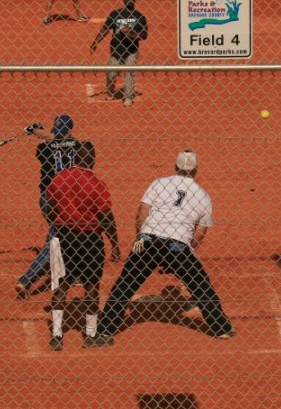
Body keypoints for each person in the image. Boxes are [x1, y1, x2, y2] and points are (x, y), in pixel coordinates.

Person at [86, 150, 235, 347]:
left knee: (125, 284)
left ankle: (105, 329)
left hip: (149, 239)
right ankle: (221, 328)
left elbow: (142, 212)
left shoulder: (160, 183)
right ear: (196, 170)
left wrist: (140, 237)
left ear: (175, 167)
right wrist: (183, 253)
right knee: (200, 285)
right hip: (178, 245)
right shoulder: (203, 196)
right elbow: (200, 233)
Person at [46, 141, 121, 351]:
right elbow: (106, 216)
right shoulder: (96, 183)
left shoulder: (59, 179)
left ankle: (57, 335)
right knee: (91, 286)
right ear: (93, 160)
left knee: (61, 285)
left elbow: (50, 205)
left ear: (74, 159)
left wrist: (58, 223)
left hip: (64, 235)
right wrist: (114, 242)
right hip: (90, 239)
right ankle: (90, 334)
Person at [14, 114, 87, 299]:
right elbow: (66, 141)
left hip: (47, 198)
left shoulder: (43, 149)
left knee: (66, 234)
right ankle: (26, 280)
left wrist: (37, 132)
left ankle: (74, 271)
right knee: (55, 240)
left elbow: (52, 142)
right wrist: (41, 132)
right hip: (67, 200)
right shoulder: (78, 147)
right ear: (70, 131)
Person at [89, 0, 149, 107]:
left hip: (132, 50)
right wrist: (95, 42)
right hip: (116, 50)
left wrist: (131, 34)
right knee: (111, 73)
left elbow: (144, 36)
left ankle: (128, 98)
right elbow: (105, 29)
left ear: (135, 0)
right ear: (124, 0)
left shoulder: (140, 17)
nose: (129, 1)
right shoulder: (115, 14)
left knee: (129, 72)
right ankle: (110, 90)